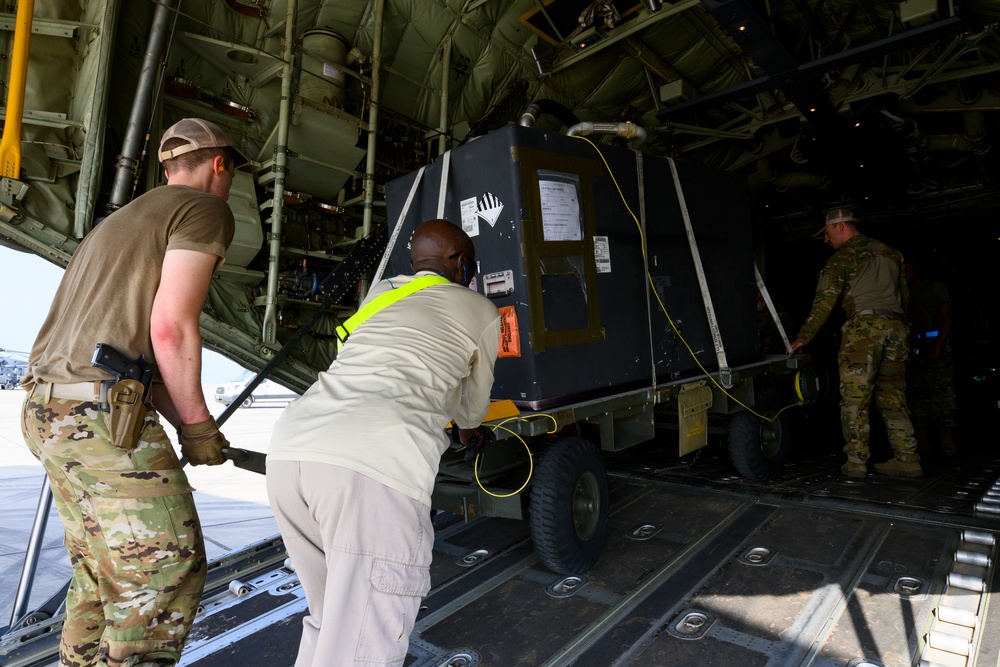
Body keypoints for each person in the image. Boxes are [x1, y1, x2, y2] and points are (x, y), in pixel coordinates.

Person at [20, 117, 243, 666]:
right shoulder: (204, 208)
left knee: (103, 571)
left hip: (48, 409)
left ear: (168, 167)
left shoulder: (119, 222)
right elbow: (171, 328)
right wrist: (196, 429)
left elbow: (142, 360)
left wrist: (195, 426)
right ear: (221, 165)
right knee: (164, 569)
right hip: (97, 415)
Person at [266, 219, 501, 667]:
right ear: (458, 262)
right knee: (363, 646)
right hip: (370, 467)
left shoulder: (381, 294)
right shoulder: (478, 308)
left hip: (292, 450)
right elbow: (472, 409)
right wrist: (469, 435)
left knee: (332, 620)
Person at [791, 208, 922, 478]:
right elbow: (905, 298)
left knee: (855, 397)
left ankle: (856, 462)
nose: (825, 240)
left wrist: (802, 337)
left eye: (826, 233)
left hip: (864, 329)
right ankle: (908, 459)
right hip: (896, 328)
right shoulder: (892, 253)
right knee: (893, 397)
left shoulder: (843, 258)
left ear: (840, 226)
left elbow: (824, 302)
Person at [905, 259, 957, 456]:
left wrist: (937, 347)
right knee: (917, 393)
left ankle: (946, 438)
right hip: (915, 346)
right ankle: (923, 439)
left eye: (908, 269)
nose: (905, 273)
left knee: (942, 391)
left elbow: (947, 318)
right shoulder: (904, 294)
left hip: (937, 343)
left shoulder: (936, 288)